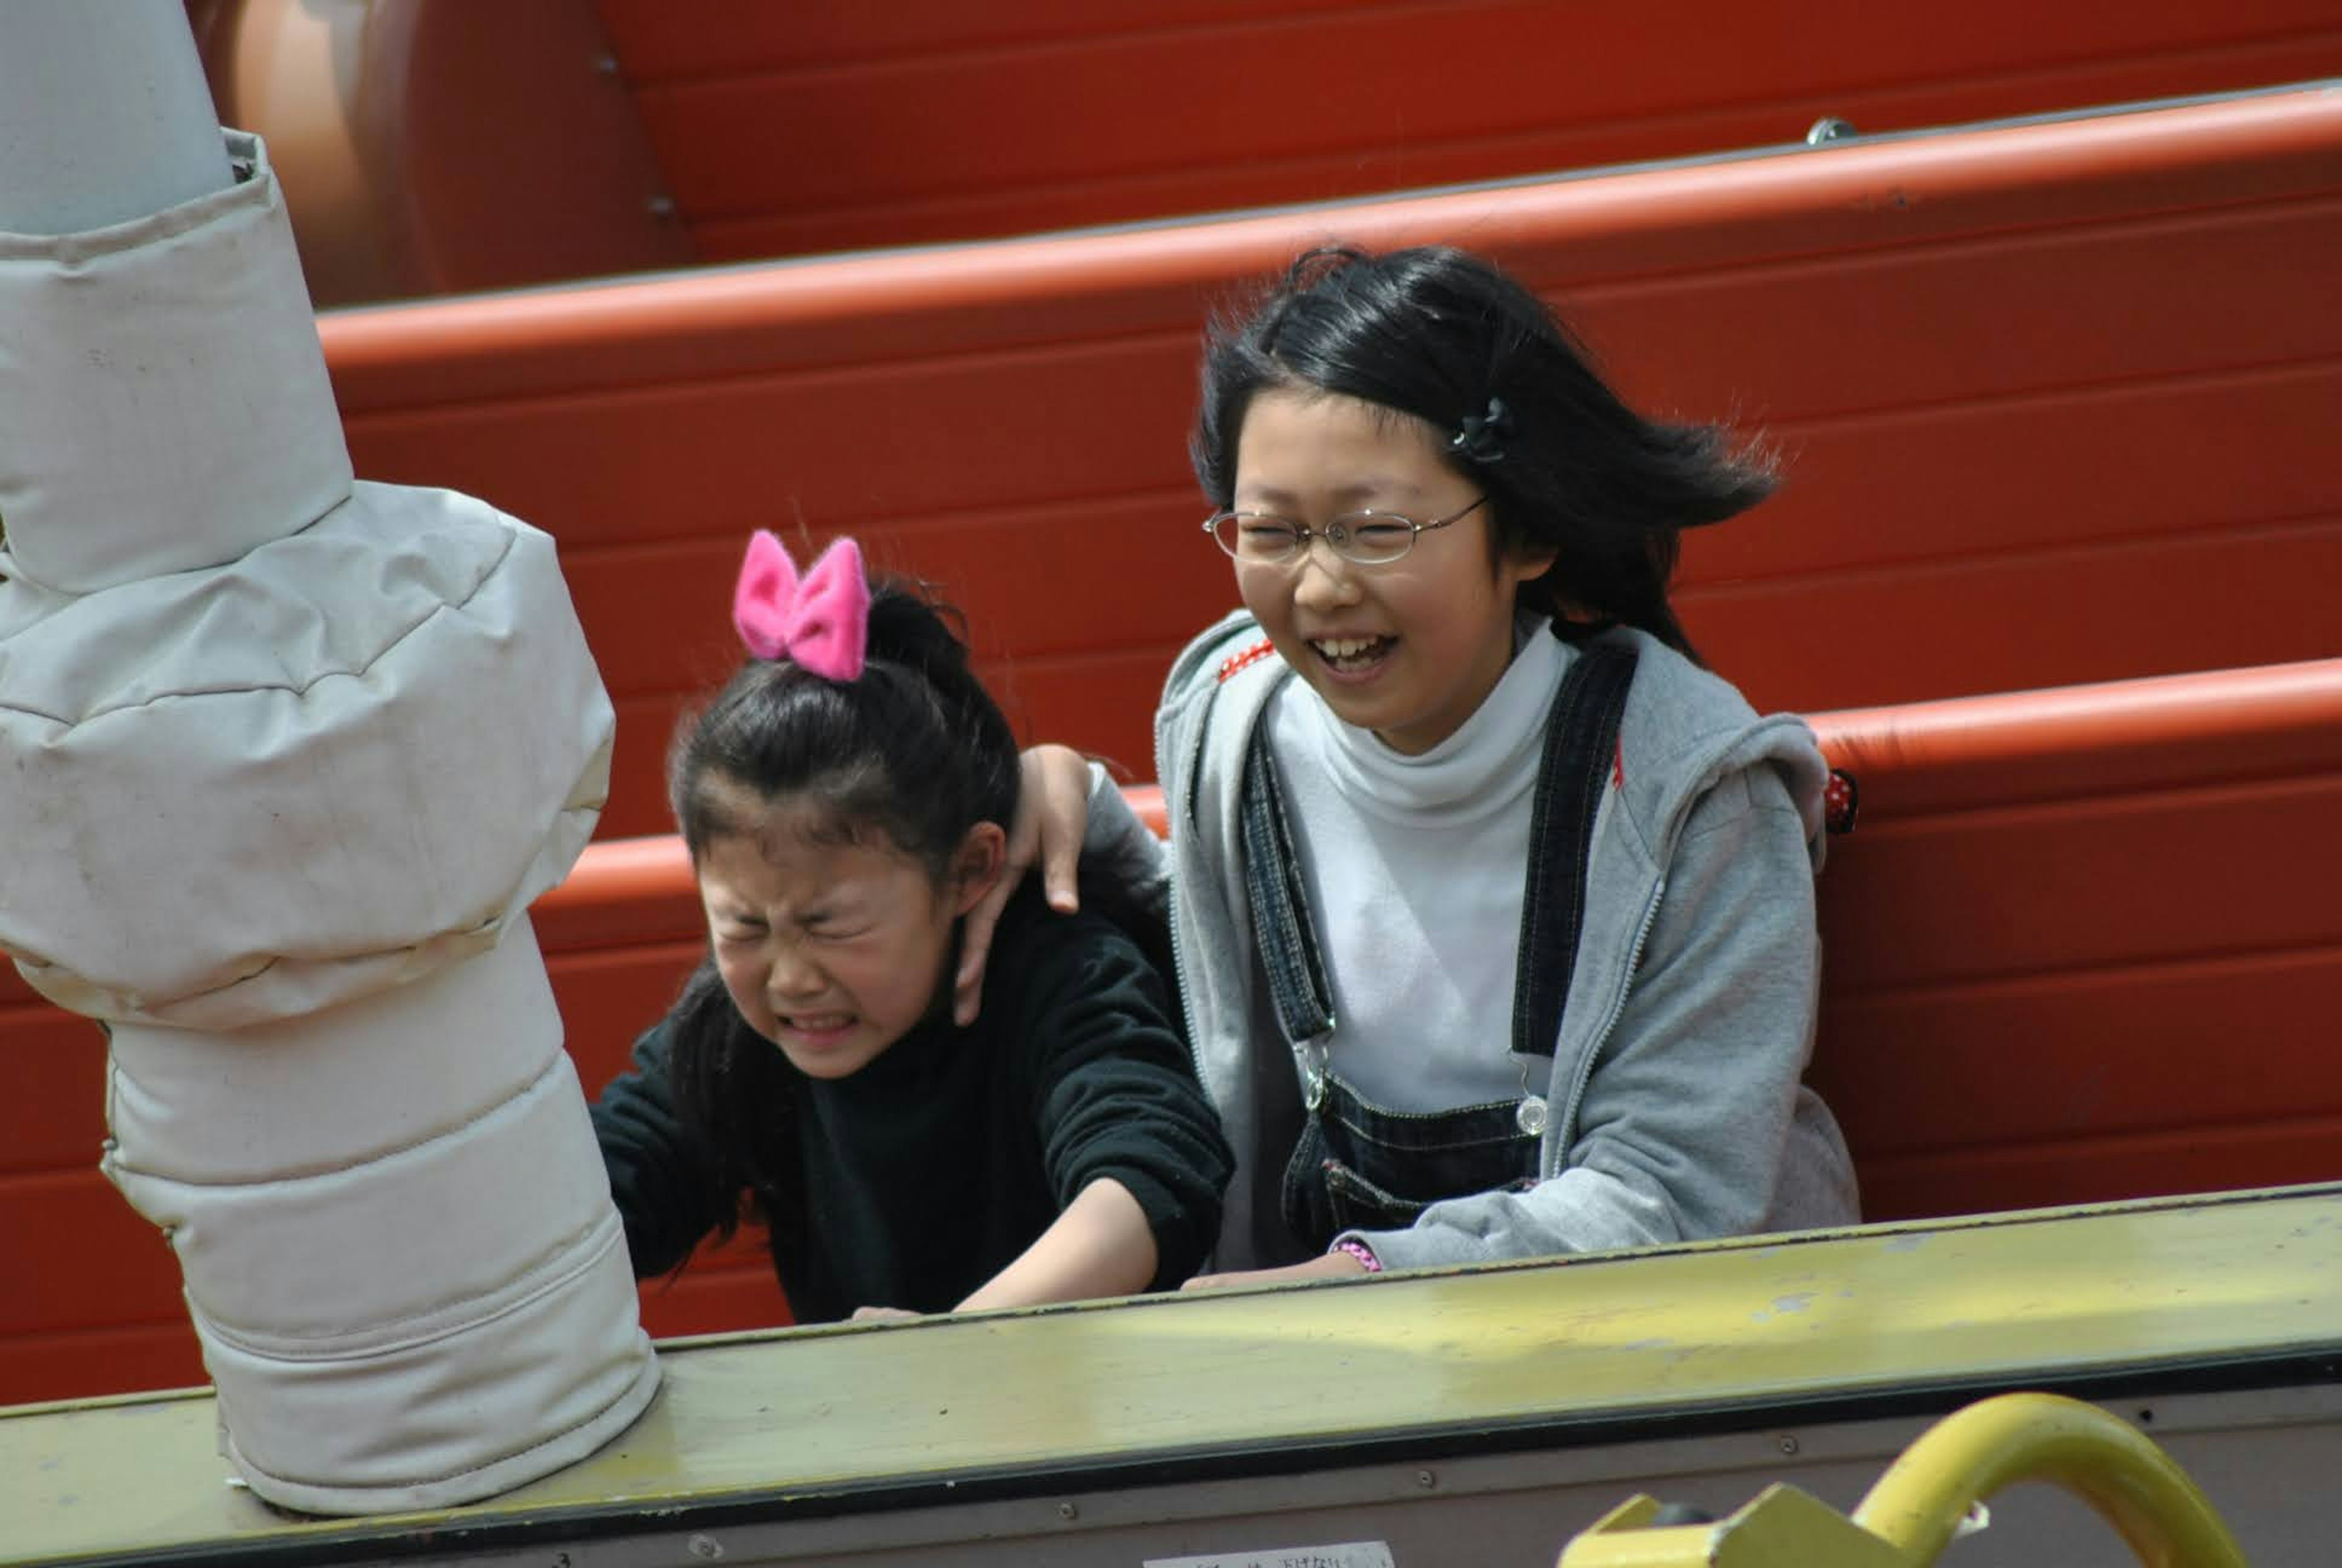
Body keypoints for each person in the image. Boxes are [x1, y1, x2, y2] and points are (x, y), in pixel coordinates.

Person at [967, 244, 1859, 1287]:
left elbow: (1672, 1193)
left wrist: (1351, 1280)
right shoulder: (1231, 716)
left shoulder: (1690, 788)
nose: (1321, 588)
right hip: (1330, 1368)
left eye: (1377, 529)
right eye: (1274, 532)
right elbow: (1220, 948)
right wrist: (1069, 796)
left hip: (1675, 1361)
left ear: (1527, 529)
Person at [592, 532, 1232, 1323]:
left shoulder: (1059, 970)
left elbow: (1150, 1176)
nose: (790, 976)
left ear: (968, 870)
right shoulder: (735, 1029)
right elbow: (602, 1191)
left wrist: (951, 1350)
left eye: (833, 927)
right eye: (745, 927)